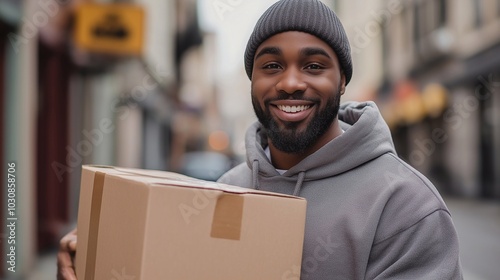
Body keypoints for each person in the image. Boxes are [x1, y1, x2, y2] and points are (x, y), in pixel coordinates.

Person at [58, 0, 463, 279]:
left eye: (313, 65)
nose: (290, 82)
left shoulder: (407, 208)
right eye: (271, 65)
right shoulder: (227, 191)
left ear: (342, 81)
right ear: (253, 81)